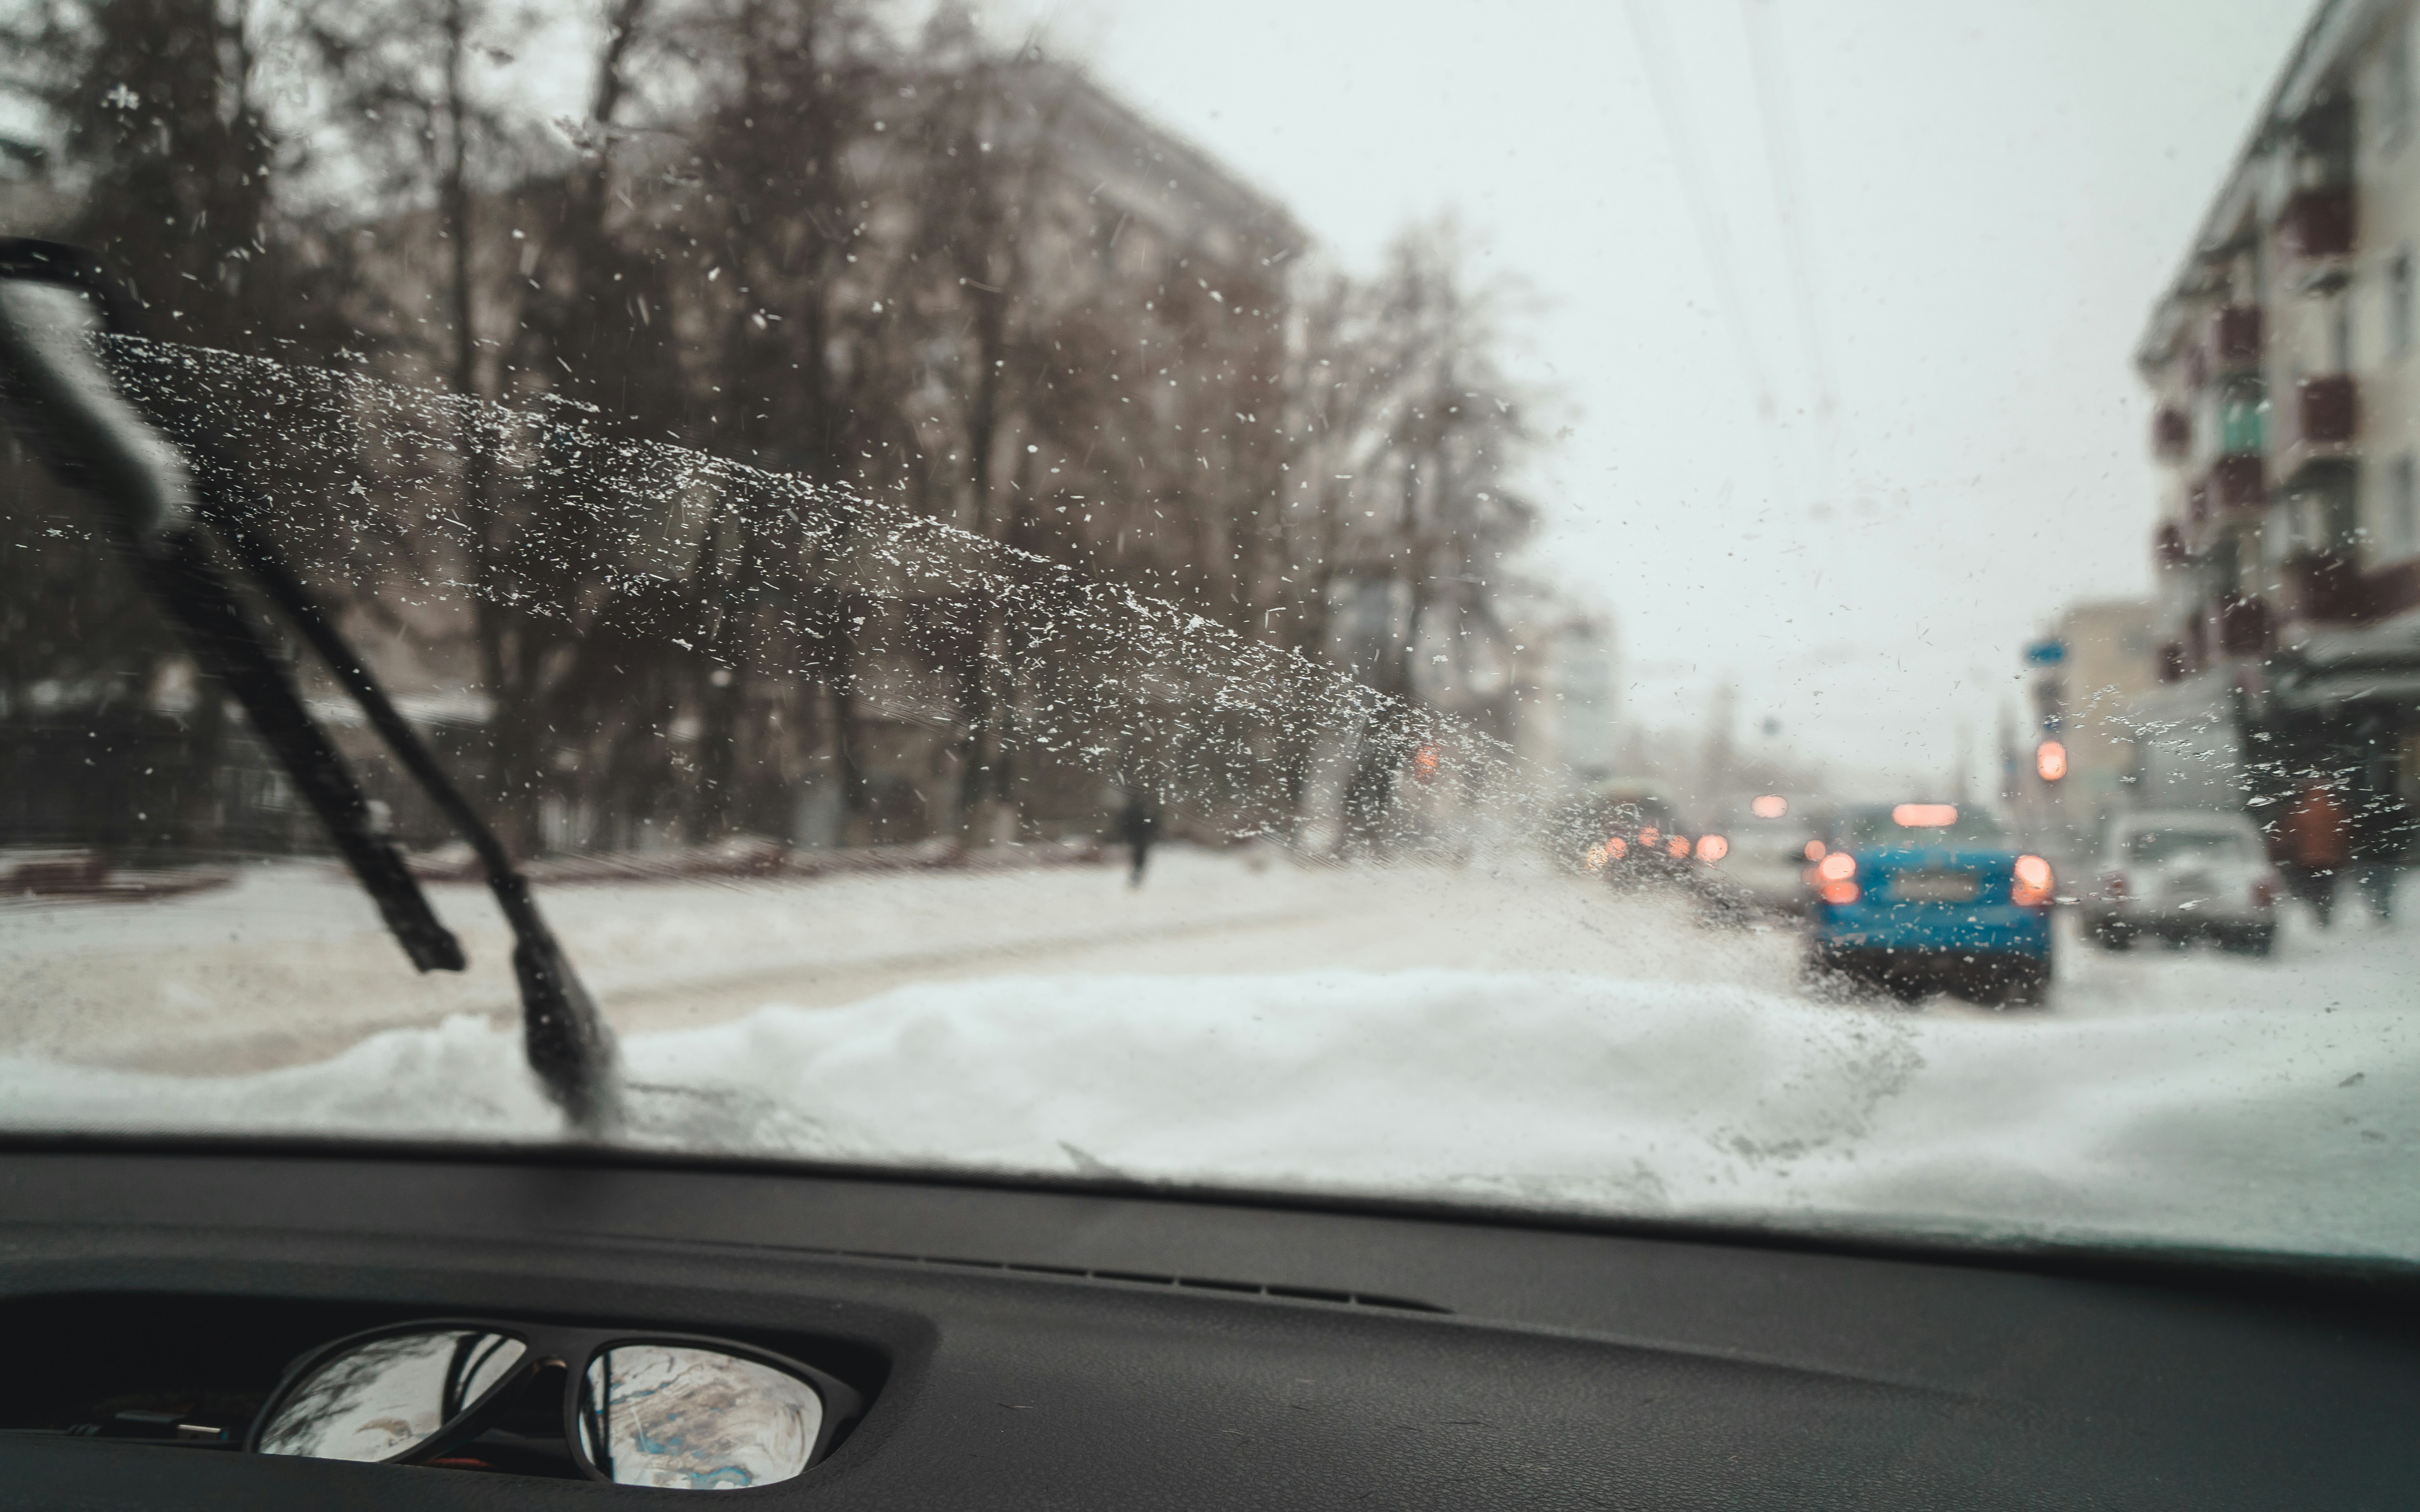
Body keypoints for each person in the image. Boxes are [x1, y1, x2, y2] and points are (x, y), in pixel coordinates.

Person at [2280, 780, 2348, 928]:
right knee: (2326, 888)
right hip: (2330, 860)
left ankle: (2313, 916)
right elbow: (2342, 832)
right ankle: (2325, 915)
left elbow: (2288, 834)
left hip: (2307, 859)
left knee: (2310, 889)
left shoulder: (2301, 808)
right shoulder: (2334, 807)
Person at [1117, 789, 1162, 887]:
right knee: (1139, 860)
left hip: (1134, 839)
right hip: (1141, 839)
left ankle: (1135, 878)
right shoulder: (1143, 811)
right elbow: (1149, 825)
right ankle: (1136, 878)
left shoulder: (1131, 810)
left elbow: (1124, 825)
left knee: (1136, 860)